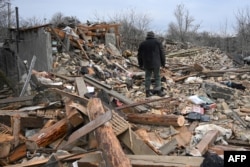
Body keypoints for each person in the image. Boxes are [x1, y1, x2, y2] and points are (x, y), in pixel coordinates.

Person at [137, 31, 166, 97]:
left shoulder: (142, 44)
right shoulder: (158, 43)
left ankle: (148, 92)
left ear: (147, 36)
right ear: (153, 36)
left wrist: (140, 64)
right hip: (156, 63)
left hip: (147, 64)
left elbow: (139, 55)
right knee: (157, 77)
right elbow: (162, 53)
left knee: (147, 77)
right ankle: (159, 91)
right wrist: (163, 63)